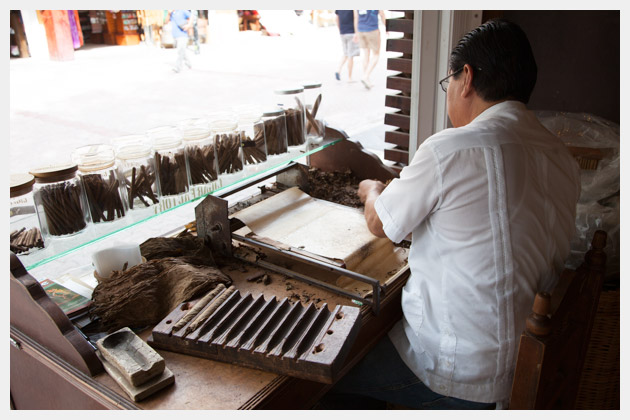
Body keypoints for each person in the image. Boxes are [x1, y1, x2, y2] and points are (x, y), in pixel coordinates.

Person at [319, 19, 580, 409]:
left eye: (448, 83)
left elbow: (380, 223)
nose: (449, 94)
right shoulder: (561, 156)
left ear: (467, 78)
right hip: (522, 370)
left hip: (458, 377)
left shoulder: (452, 149)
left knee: (320, 378)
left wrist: (372, 189)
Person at [354, 10, 386, 89]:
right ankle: (366, 76)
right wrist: (387, 27)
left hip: (361, 30)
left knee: (366, 55)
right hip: (372, 29)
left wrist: (356, 32)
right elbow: (382, 14)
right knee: (376, 54)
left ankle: (367, 79)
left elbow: (356, 17)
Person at [334, 10, 360, 82]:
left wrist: (340, 29)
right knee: (350, 55)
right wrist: (356, 32)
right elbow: (355, 17)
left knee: (345, 54)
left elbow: (336, 19)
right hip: (351, 32)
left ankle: (338, 70)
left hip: (342, 32)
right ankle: (350, 78)